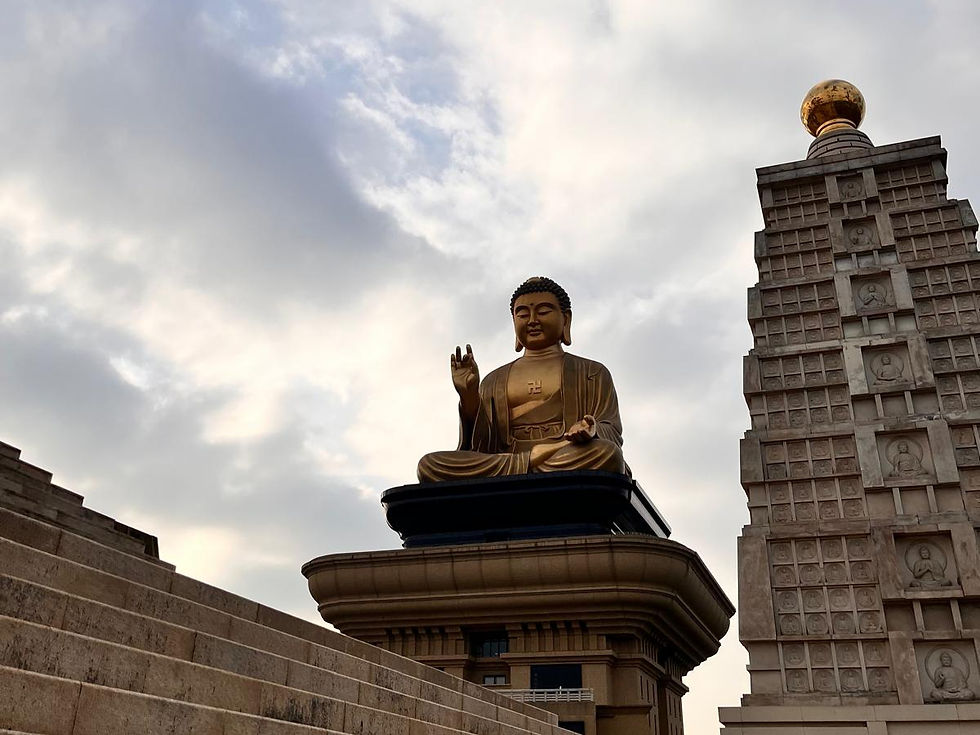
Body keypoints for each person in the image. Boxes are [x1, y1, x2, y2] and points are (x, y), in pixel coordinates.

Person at [417, 277, 626, 482]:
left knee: (606, 454)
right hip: (506, 461)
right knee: (429, 465)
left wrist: (590, 427)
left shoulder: (591, 372)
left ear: (566, 319)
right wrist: (469, 396)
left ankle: (533, 463)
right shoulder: (494, 380)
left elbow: (612, 430)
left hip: (565, 455)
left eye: (543, 312)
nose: (533, 320)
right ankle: (530, 463)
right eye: (523, 314)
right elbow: (481, 447)